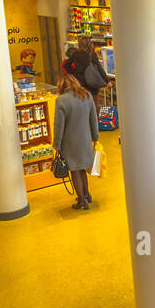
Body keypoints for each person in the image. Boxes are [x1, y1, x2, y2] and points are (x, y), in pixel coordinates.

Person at [52, 72, 100, 210]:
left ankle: (81, 201)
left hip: (69, 142)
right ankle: (87, 195)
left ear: (61, 85)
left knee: (74, 171)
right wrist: (95, 137)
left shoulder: (61, 101)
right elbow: (93, 119)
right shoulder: (87, 96)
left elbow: (59, 126)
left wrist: (57, 144)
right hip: (85, 140)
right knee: (82, 169)